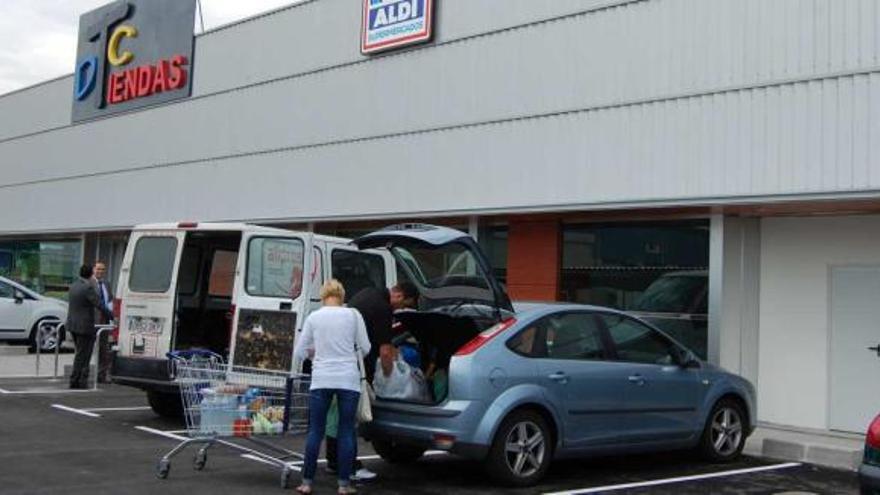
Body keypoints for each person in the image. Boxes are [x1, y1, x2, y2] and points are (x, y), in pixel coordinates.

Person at [293, 279, 370, 495]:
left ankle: (307, 482)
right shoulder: (353, 315)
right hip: (348, 379)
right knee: (346, 431)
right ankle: (344, 485)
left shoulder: (314, 317)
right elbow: (365, 347)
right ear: (342, 296)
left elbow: (300, 351)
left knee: (316, 431)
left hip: (321, 379)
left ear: (323, 297)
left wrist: (315, 353)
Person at [324, 286, 393, 481]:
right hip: (351, 371)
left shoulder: (361, 298)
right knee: (348, 421)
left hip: (332, 369)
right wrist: (388, 376)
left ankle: (333, 461)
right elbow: (380, 350)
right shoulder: (382, 308)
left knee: (334, 417)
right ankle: (350, 467)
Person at [67, 264, 113, 389]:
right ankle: (77, 380)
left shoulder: (74, 285)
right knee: (84, 354)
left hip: (72, 324)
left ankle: (77, 379)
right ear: (91, 274)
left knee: (80, 353)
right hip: (84, 326)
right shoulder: (87, 288)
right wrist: (112, 316)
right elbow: (99, 304)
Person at [93, 261, 114, 383]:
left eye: (102, 269)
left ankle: (101, 375)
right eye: (98, 269)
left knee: (103, 348)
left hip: (105, 319)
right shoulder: (89, 283)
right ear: (93, 270)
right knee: (91, 348)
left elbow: (110, 300)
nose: (100, 272)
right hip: (93, 320)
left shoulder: (107, 283)